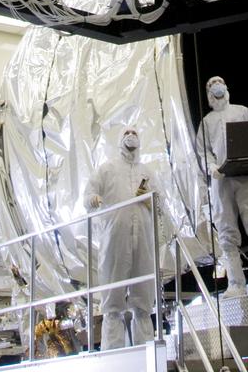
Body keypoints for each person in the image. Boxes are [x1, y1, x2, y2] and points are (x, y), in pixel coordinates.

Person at [195, 76, 248, 297]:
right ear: (208, 93)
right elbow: (202, 151)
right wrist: (211, 166)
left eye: (219, 82)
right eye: (211, 84)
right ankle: (235, 284)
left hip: (246, 175)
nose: (216, 86)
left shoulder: (242, 111)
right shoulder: (207, 122)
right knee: (226, 232)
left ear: (226, 87)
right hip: (221, 179)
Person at [84, 127, 162, 350]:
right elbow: (88, 194)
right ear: (120, 139)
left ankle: (145, 349)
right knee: (113, 298)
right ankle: (112, 352)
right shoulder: (108, 169)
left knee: (143, 296)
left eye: (135, 133)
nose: (131, 136)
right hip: (115, 240)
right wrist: (93, 199)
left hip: (143, 240)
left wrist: (149, 200)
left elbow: (160, 206)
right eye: (127, 132)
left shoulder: (147, 172)